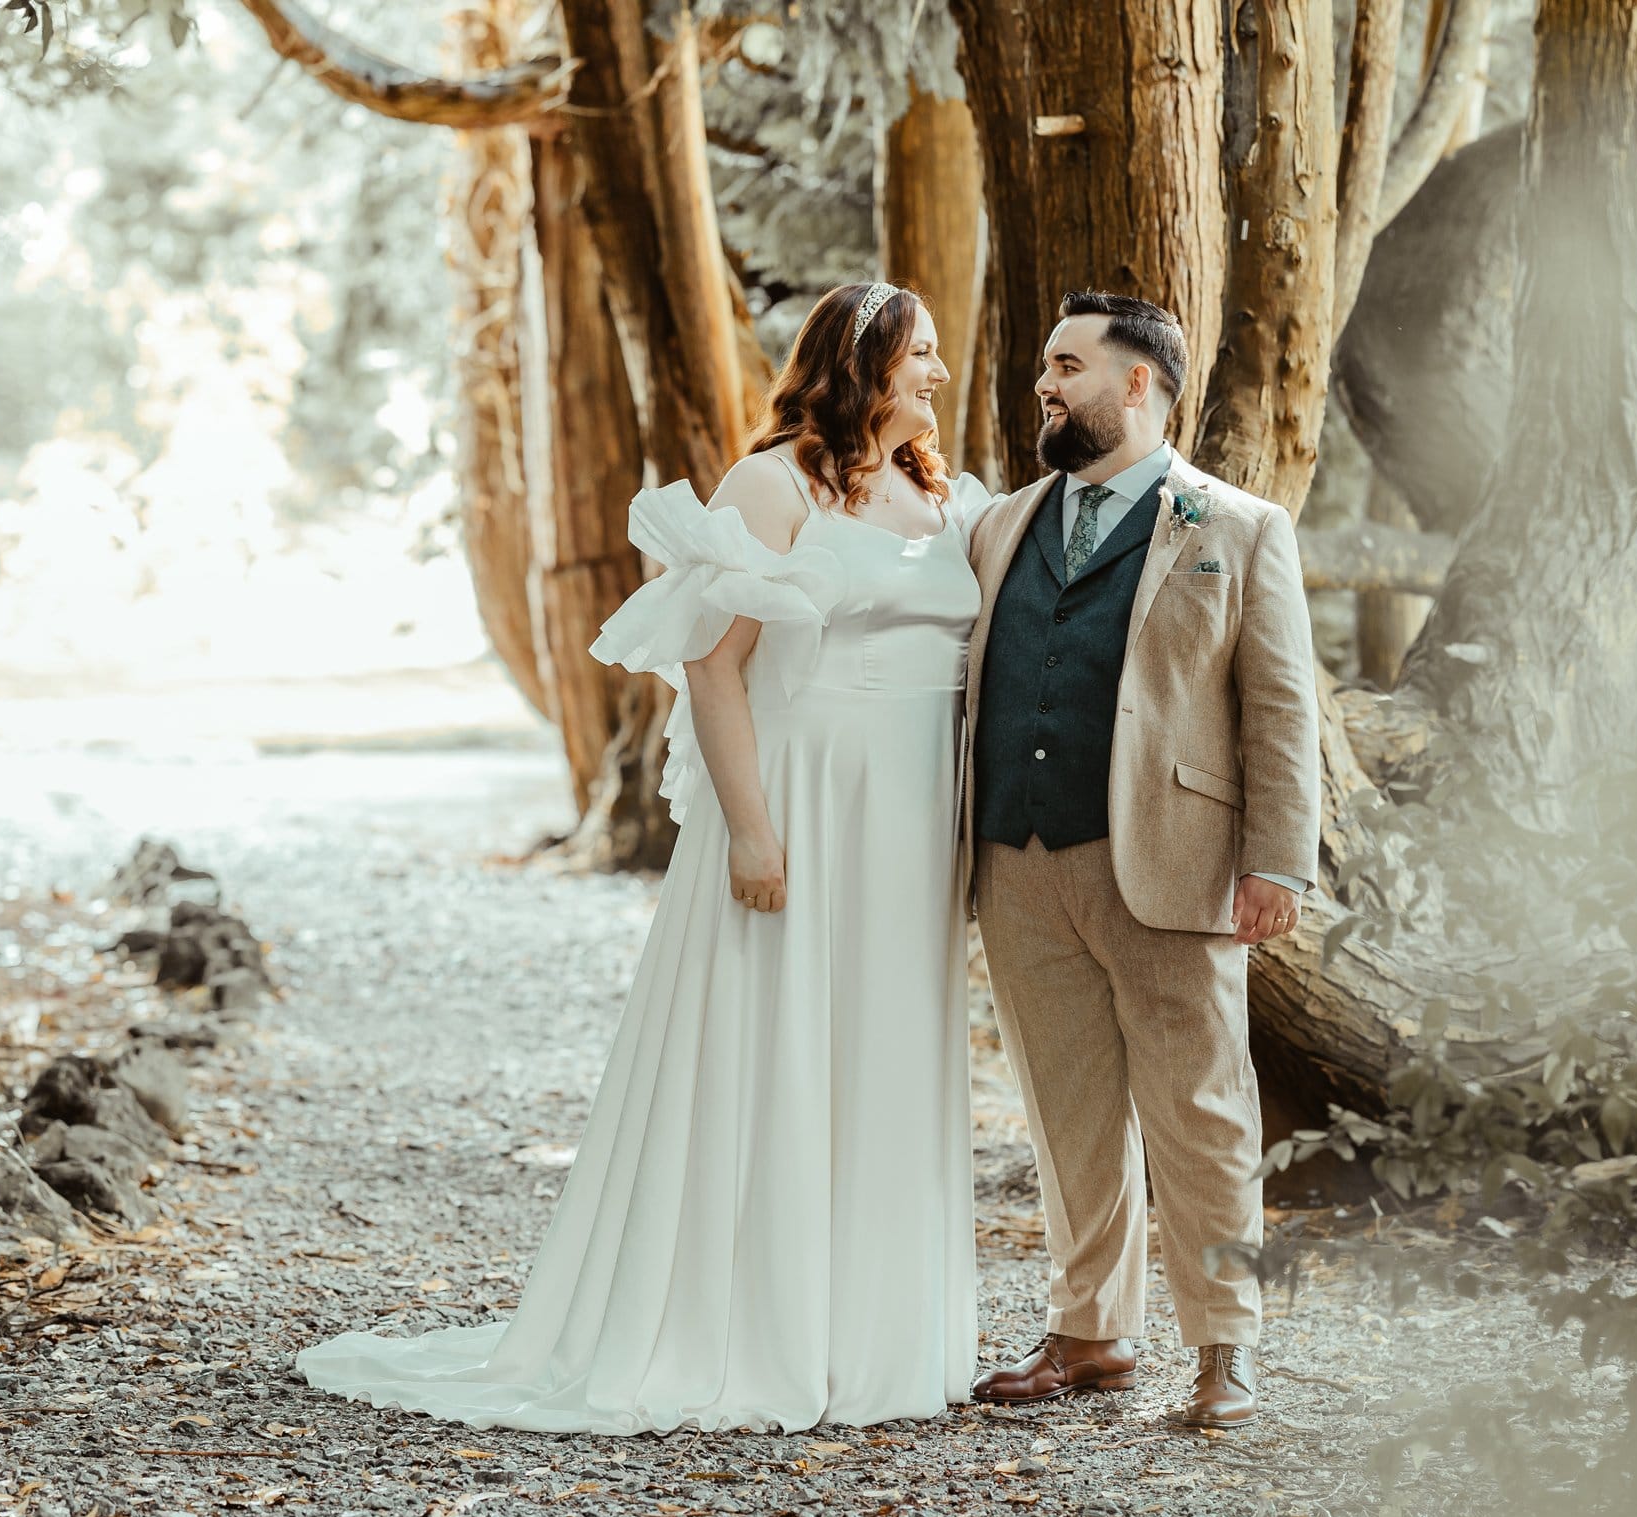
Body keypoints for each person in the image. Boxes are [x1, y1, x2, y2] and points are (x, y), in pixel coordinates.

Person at [295, 282, 990, 1433]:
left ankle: (870, 1336)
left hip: (911, 818)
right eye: (919, 353)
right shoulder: (769, 487)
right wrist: (753, 828)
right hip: (803, 799)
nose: (938, 374)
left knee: (882, 1048)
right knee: (774, 1041)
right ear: (860, 364)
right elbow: (715, 671)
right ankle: (745, 1327)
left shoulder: (946, 494)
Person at [961, 291, 1323, 1428]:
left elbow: (1279, 707)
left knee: (1202, 1109)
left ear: (1138, 384)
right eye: (1044, 365)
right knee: (1066, 1115)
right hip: (1017, 859)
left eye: (1066, 365)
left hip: (1172, 861)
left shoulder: (1240, 525)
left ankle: (1227, 1347)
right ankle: (1088, 1333)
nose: (1045, 385)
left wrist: (1279, 860)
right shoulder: (1000, 522)